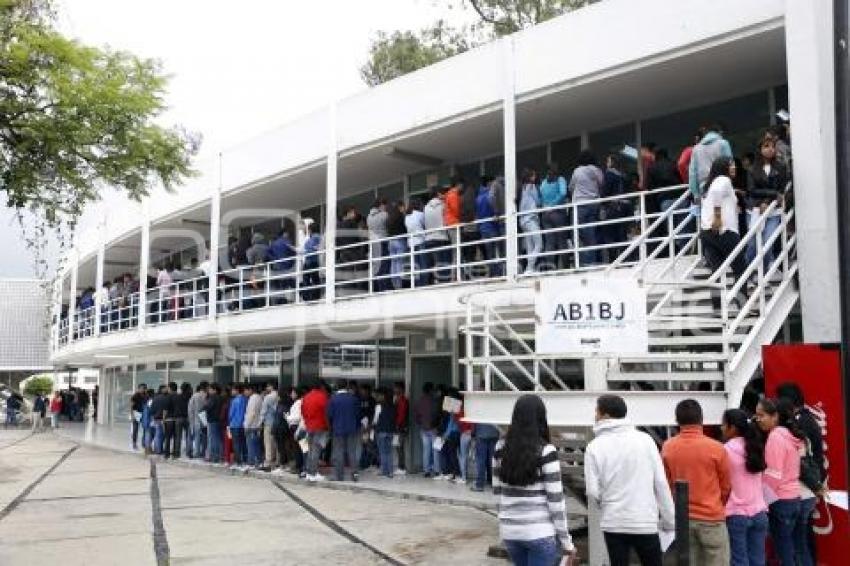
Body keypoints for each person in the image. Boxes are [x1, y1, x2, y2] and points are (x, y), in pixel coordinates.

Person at [584, 395, 674, 566]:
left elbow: (592, 491)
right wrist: (669, 520)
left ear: (605, 415)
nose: (594, 415)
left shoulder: (594, 446)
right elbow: (660, 483)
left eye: (596, 411)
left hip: (613, 522)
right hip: (644, 520)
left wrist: (608, 505)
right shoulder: (645, 441)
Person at [493, 395, 577, 565]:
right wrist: (566, 541)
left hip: (510, 533)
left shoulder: (500, 447)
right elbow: (556, 502)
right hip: (540, 533)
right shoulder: (546, 450)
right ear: (541, 417)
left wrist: (506, 522)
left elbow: (497, 493)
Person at [662, 399, 731, 566]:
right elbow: (726, 486)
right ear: (701, 419)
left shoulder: (668, 447)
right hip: (712, 518)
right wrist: (717, 504)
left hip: (683, 519)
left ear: (677, 420)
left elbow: (667, 484)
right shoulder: (717, 448)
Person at [776, 382, 824, 566]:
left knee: (793, 544)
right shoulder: (808, 420)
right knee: (802, 542)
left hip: (799, 492)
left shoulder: (796, 426)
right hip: (808, 492)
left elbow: (800, 464)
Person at [755, 397, 807, 566]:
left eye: (762, 415)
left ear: (775, 416)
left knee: (783, 550)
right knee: (792, 547)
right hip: (794, 497)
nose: (758, 419)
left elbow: (773, 475)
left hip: (780, 500)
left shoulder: (775, 437)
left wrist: (762, 499)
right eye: (757, 415)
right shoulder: (789, 436)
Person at [721, 408, 769, 566]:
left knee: (739, 561)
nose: (721, 428)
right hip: (760, 512)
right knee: (758, 560)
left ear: (732, 428)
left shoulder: (725, 451)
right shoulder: (755, 447)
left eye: (723, 424)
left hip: (736, 514)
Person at [746, 137, 790, 273]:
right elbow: (752, 191)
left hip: (773, 211)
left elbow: (781, 189)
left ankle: (762, 273)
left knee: (767, 242)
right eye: (766, 146)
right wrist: (763, 202)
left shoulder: (781, 167)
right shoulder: (752, 169)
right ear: (760, 150)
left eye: (772, 146)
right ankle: (748, 271)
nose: (770, 149)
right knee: (753, 243)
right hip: (755, 210)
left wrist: (768, 201)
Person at [700, 157, 747, 282]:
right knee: (740, 269)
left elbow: (716, 194)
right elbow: (717, 192)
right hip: (724, 232)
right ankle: (742, 301)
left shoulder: (710, 184)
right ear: (722, 168)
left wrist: (733, 201)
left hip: (707, 232)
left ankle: (718, 302)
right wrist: (717, 217)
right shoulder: (723, 179)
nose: (734, 167)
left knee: (717, 273)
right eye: (730, 165)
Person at [570, 150, 605, 266]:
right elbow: (601, 184)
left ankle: (587, 260)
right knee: (591, 232)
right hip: (594, 204)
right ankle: (592, 260)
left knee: (580, 233)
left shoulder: (577, 171)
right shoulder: (597, 171)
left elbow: (571, 187)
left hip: (580, 204)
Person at [327, 380, 362, 482]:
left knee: (339, 452)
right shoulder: (353, 399)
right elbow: (358, 414)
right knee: (352, 451)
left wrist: (331, 428)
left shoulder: (333, 399)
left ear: (337, 386)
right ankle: (355, 474)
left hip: (338, 429)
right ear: (346, 386)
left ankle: (339, 476)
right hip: (352, 429)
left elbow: (330, 415)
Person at [689, 124, 733, 198]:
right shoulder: (723, 143)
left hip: (704, 189)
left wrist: (696, 194)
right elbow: (730, 165)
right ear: (720, 133)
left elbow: (692, 174)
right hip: (723, 186)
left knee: (710, 209)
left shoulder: (696, 149)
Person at [538, 163, 569, 271]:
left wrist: (546, 206)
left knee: (549, 242)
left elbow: (539, 198)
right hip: (558, 213)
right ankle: (565, 268)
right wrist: (553, 205)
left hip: (545, 214)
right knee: (561, 241)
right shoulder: (560, 179)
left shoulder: (543, 182)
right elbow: (563, 193)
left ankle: (551, 267)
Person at [301, 380, 330, 482]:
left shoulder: (306, 397)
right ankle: (313, 473)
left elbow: (303, 412)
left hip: (310, 426)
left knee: (310, 450)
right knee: (316, 451)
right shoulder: (323, 397)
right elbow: (326, 413)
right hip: (320, 427)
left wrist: (307, 422)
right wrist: (328, 426)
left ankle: (309, 472)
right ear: (321, 387)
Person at [423, 188, 451, 283]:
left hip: (429, 238)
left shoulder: (425, 207)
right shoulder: (443, 205)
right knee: (445, 262)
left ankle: (437, 280)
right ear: (438, 194)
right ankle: (445, 281)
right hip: (441, 236)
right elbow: (446, 220)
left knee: (435, 262)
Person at [475, 178, 502, 277]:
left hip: (483, 228)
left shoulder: (477, 198)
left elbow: (477, 214)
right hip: (492, 226)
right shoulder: (490, 196)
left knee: (489, 253)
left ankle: (492, 273)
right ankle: (499, 273)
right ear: (488, 183)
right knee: (498, 251)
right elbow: (494, 210)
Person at [518, 169, 543, 274]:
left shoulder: (521, 188)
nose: (535, 177)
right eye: (533, 176)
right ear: (530, 177)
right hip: (531, 219)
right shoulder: (531, 187)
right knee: (539, 244)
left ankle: (529, 269)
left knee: (530, 246)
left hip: (522, 220)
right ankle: (529, 267)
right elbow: (537, 201)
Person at [414, 382, 438, 477]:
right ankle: (436, 470)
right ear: (431, 390)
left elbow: (416, 416)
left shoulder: (419, 401)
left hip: (423, 429)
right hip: (433, 428)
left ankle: (426, 471)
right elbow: (436, 414)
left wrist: (421, 423)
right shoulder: (434, 401)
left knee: (426, 450)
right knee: (435, 450)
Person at [373, 386, 397, 478]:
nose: (378, 397)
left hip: (381, 430)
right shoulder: (393, 406)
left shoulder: (379, 406)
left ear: (383, 396)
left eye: (379, 395)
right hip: (390, 431)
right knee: (389, 452)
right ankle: (390, 472)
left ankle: (384, 470)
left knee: (382, 452)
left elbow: (375, 419)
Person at [367, 199, 390, 292]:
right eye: (383, 205)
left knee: (377, 266)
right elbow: (388, 225)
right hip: (382, 241)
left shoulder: (368, 217)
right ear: (380, 205)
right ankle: (385, 286)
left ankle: (379, 287)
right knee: (385, 264)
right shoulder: (384, 214)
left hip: (373, 243)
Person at [405, 198, 428, 287]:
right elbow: (425, 225)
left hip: (411, 242)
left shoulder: (406, 217)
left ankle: (417, 284)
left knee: (415, 265)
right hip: (420, 240)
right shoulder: (420, 214)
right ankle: (424, 283)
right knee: (423, 264)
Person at [386, 201, 408, 289]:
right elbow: (404, 228)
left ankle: (394, 284)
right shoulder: (401, 217)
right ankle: (399, 284)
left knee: (393, 262)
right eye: (403, 207)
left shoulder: (389, 218)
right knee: (399, 262)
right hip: (399, 240)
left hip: (391, 242)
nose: (404, 209)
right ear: (400, 207)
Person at [471, 422, 499, 492]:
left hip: (481, 435)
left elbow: (475, 422)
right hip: (494, 435)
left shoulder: (480, 410)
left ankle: (479, 485)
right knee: (491, 460)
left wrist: (473, 435)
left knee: (481, 460)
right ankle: (492, 481)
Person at [301, 222, 324, 301]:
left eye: (308, 229)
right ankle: (314, 296)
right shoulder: (317, 237)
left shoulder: (315, 237)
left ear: (310, 230)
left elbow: (312, 249)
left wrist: (304, 251)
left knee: (308, 280)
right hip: (313, 261)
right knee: (314, 279)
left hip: (311, 261)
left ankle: (309, 297)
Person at [260, 382, 279, 471]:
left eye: (268, 386)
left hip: (268, 422)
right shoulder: (278, 396)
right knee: (275, 442)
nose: (267, 388)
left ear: (271, 386)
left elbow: (263, 411)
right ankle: (277, 461)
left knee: (268, 443)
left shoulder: (268, 397)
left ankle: (268, 462)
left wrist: (260, 422)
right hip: (277, 422)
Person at [227, 385, 248, 467]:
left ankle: (238, 460)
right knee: (243, 442)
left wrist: (229, 421)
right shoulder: (245, 399)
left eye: (233, 390)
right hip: (243, 424)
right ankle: (245, 459)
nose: (232, 392)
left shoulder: (234, 401)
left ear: (237, 390)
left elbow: (231, 414)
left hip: (235, 424)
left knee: (236, 443)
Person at [244, 384, 263, 467]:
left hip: (252, 426)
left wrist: (247, 426)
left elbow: (251, 414)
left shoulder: (253, 399)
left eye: (246, 390)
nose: (244, 392)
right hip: (257, 425)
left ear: (250, 390)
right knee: (256, 444)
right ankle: (257, 460)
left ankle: (252, 461)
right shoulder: (259, 398)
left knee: (251, 444)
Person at [187, 382, 208, 460]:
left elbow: (190, 409)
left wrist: (190, 420)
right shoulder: (206, 397)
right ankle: (202, 452)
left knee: (195, 437)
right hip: (204, 420)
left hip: (195, 420)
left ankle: (195, 452)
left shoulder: (194, 396)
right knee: (203, 438)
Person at [204, 384, 224, 464]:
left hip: (212, 420)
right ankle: (220, 455)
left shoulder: (212, 398)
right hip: (219, 420)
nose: (209, 391)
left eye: (210, 389)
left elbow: (207, 407)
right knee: (218, 439)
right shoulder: (221, 398)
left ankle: (215, 456)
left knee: (213, 439)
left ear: (215, 390)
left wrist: (204, 407)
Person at [392, 382, 409, 475]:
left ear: (401, 389)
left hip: (400, 427)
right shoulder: (397, 399)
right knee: (397, 446)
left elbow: (401, 415)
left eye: (396, 388)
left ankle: (401, 467)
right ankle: (400, 466)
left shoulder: (402, 400)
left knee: (399, 447)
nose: (394, 390)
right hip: (398, 427)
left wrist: (397, 425)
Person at [131, 384, 148, 448]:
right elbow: (131, 406)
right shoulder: (135, 396)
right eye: (141, 388)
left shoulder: (146, 396)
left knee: (145, 428)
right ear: (138, 388)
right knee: (135, 429)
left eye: (144, 388)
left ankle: (143, 442)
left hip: (143, 413)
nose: (142, 390)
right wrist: (132, 415)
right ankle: (134, 443)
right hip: (136, 413)